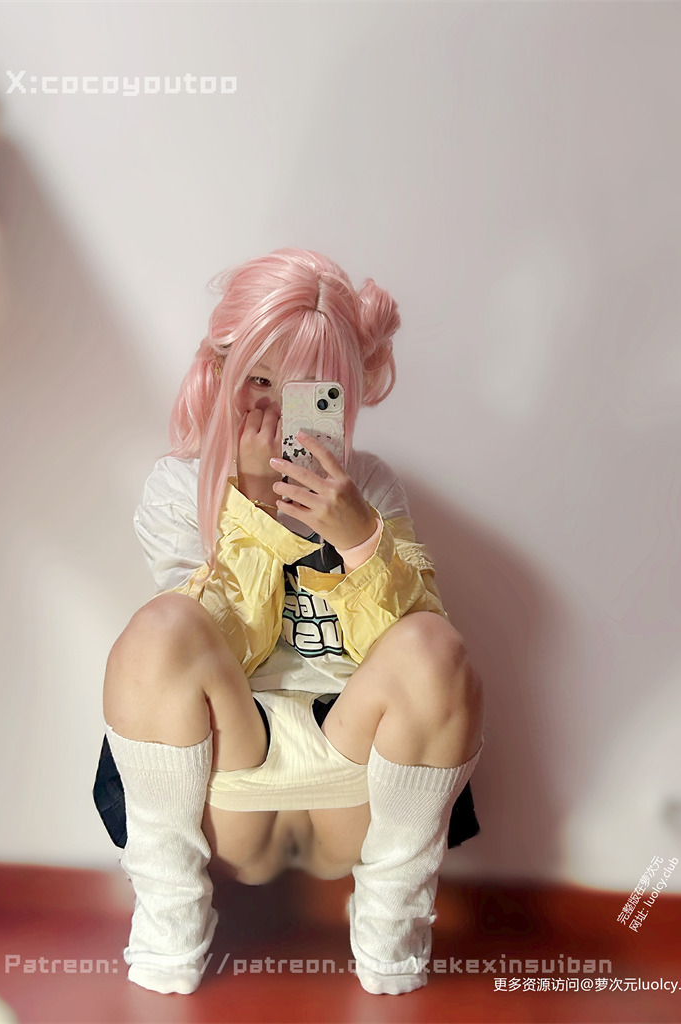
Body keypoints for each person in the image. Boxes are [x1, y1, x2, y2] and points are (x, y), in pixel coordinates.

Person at [92, 248, 484, 997]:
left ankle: (393, 921)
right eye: (259, 382)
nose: (275, 412)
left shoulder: (367, 487)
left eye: (309, 392)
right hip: (231, 775)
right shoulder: (178, 488)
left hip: (354, 771)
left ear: (341, 397)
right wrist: (247, 501)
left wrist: (359, 539)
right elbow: (214, 645)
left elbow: (424, 669)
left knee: (434, 642)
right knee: (158, 630)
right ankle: (168, 915)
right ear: (220, 371)